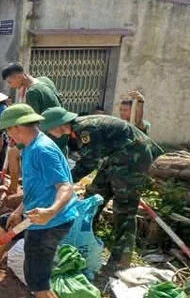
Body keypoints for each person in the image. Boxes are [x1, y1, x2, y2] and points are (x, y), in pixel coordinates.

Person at [0, 104, 78, 298]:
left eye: (8, 131)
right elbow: (36, 188)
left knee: (38, 284)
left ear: (16, 128)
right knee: (5, 223)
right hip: (35, 214)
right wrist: (19, 210)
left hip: (49, 223)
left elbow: (65, 187)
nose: (8, 136)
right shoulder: (31, 147)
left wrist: (50, 212)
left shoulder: (42, 150)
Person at [41, 107, 155, 269]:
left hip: (132, 160)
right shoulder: (78, 129)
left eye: (49, 129)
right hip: (115, 157)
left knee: (124, 209)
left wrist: (64, 184)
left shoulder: (86, 129)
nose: (50, 133)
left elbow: (88, 163)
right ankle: (85, 242)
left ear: (59, 124)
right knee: (92, 198)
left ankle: (120, 261)